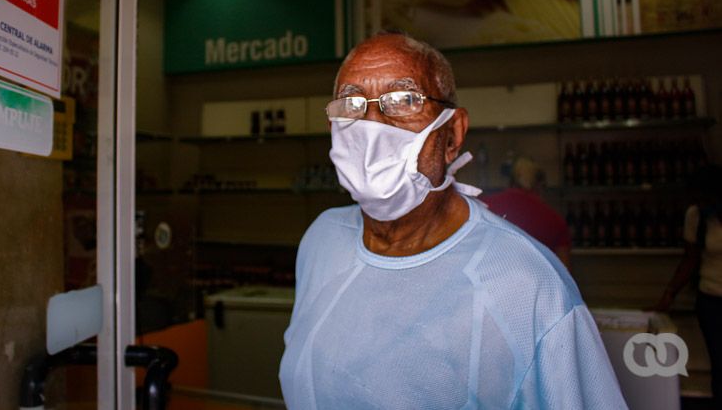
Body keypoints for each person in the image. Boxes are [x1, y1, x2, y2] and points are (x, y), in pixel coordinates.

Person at [278, 33, 625, 409]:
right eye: (352, 103)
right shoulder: (323, 240)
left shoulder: (529, 287)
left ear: (452, 135)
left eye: (405, 100)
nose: (372, 124)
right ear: (334, 129)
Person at [653, 164, 722, 405]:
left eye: (706, 198)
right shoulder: (696, 216)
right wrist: (668, 295)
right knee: (719, 363)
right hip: (711, 298)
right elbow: (690, 259)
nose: (701, 204)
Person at [481, 156, 572, 269]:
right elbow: (565, 277)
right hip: (538, 285)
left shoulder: (484, 207)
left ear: (510, 181)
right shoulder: (555, 221)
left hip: (488, 284)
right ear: (540, 186)